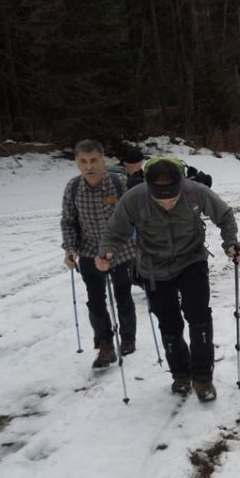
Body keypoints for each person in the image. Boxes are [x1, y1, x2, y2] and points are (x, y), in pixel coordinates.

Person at [95, 157, 240, 402]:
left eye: (172, 199)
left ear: (181, 186)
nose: (167, 204)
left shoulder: (195, 192)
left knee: (198, 318)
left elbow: (225, 216)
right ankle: (180, 375)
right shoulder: (134, 198)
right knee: (169, 324)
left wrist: (231, 243)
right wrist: (107, 252)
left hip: (191, 260)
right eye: (160, 200)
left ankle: (202, 378)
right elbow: (115, 231)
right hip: (153, 268)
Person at [61, 139, 137, 367]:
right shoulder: (73, 188)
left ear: (103, 160)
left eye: (93, 160)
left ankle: (128, 338)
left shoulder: (119, 183)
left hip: (121, 251)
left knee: (123, 295)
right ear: (76, 163)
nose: (89, 166)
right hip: (89, 252)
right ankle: (104, 343)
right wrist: (70, 248)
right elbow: (68, 221)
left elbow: (132, 217)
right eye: (83, 161)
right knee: (95, 300)